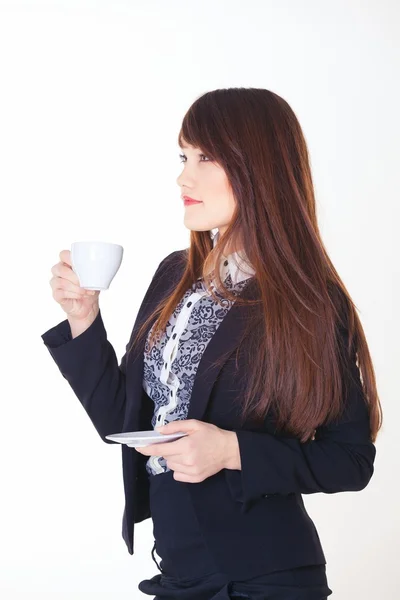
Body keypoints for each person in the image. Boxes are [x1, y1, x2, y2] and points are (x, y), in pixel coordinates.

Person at [41, 87, 382, 600]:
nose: (184, 175)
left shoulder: (304, 300)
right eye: (184, 156)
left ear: (258, 167)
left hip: (263, 580)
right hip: (178, 574)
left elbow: (351, 460)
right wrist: (84, 321)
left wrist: (231, 450)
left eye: (206, 156)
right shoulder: (174, 274)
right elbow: (127, 426)